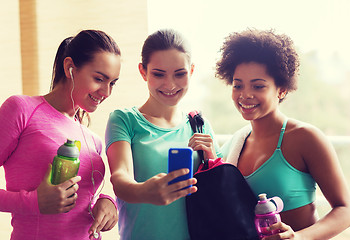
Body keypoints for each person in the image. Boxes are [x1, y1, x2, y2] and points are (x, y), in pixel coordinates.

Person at [216, 29, 350, 239]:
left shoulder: (305, 138)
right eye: (238, 85)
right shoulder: (234, 144)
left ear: (281, 89)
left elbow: (346, 210)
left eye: (258, 86)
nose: (245, 94)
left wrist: (299, 237)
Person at [0, 29, 121, 240]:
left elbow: (81, 201)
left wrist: (106, 202)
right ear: (70, 68)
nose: (106, 92)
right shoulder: (22, 110)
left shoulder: (93, 140)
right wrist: (33, 202)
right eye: (99, 79)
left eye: (112, 83)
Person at [105, 29, 222, 240]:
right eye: (159, 74)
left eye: (180, 73)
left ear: (192, 71)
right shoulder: (124, 120)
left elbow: (219, 196)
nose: (170, 85)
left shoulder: (200, 126)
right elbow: (120, 178)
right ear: (143, 72)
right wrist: (144, 191)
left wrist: (212, 158)